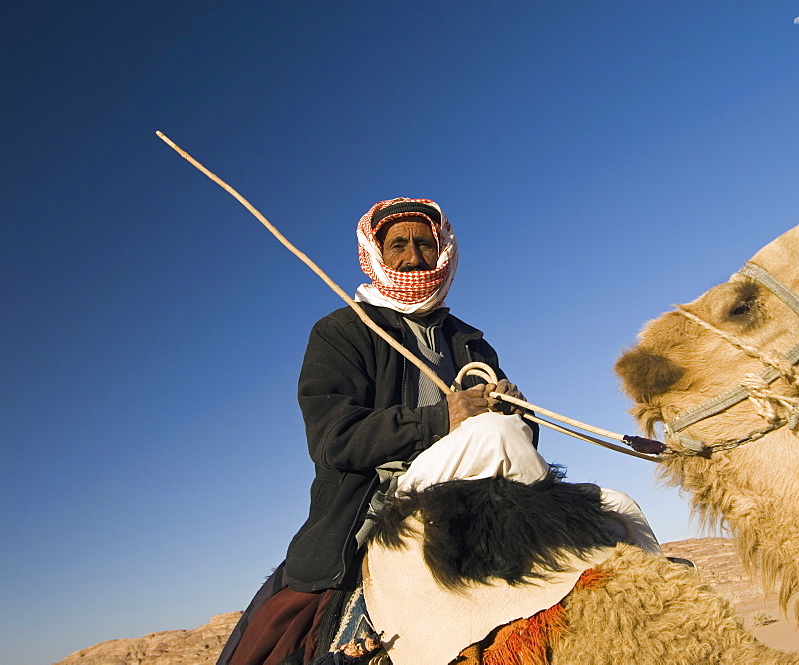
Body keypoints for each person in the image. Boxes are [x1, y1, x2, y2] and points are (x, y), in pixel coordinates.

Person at [218, 198, 659, 665]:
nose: (413, 257)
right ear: (376, 254)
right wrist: (443, 419)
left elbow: (523, 436)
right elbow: (333, 439)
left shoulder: (469, 341)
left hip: (478, 473)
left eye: (425, 244)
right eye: (399, 245)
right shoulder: (342, 332)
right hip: (385, 491)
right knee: (494, 436)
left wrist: (515, 407)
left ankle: (654, 602)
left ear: (443, 250)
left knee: (619, 506)